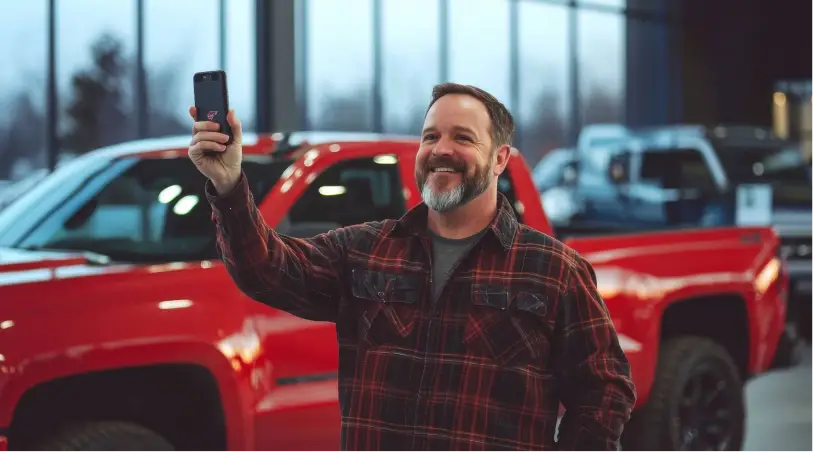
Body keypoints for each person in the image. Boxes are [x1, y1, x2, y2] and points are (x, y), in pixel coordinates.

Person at [188, 82, 636, 451]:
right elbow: (266, 269)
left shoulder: (553, 270)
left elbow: (604, 391)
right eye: (430, 137)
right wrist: (228, 186)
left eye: (462, 137)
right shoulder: (364, 250)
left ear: (500, 158)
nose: (441, 150)